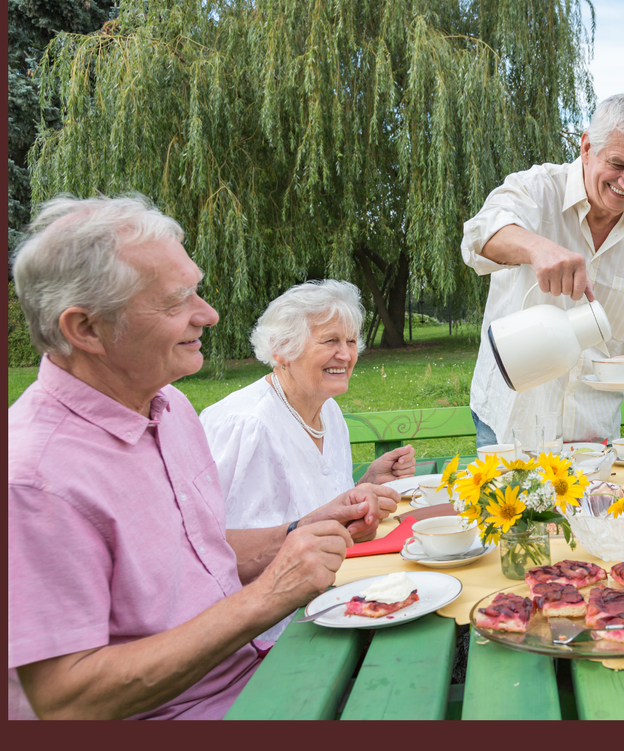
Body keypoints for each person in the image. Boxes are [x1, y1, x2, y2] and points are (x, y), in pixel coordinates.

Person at [8, 194, 402, 719]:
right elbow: (64, 700)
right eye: (176, 302)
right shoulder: (35, 477)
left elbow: (197, 551)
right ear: (86, 329)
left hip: (258, 668)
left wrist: (300, 530)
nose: (209, 315)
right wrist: (265, 599)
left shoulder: (167, 407)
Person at [461, 92, 624, 452]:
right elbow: (477, 237)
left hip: (593, 430)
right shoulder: (538, 189)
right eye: (618, 165)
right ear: (587, 146)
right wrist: (537, 247)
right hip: (511, 419)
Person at [199, 279, 417, 640]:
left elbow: (315, 510)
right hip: (269, 633)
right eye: (331, 341)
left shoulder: (327, 411)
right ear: (282, 349)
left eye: (350, 341)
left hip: (334, 599)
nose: (346, 355)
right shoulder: (246, 424)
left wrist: (367, 484)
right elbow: (211, 553)